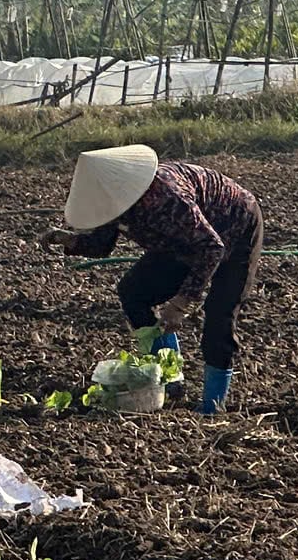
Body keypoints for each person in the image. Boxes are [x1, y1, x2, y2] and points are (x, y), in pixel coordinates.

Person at [43, 144, 261, 416]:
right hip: (180, 243)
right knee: (134, 291)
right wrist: (71, 240)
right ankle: (170, 378)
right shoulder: (113, 202)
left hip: (235, 229)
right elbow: (103, 244)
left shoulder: (164, 198)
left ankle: (212, 406)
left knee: (219, 314)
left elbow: (211, 248)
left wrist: (181, 303)